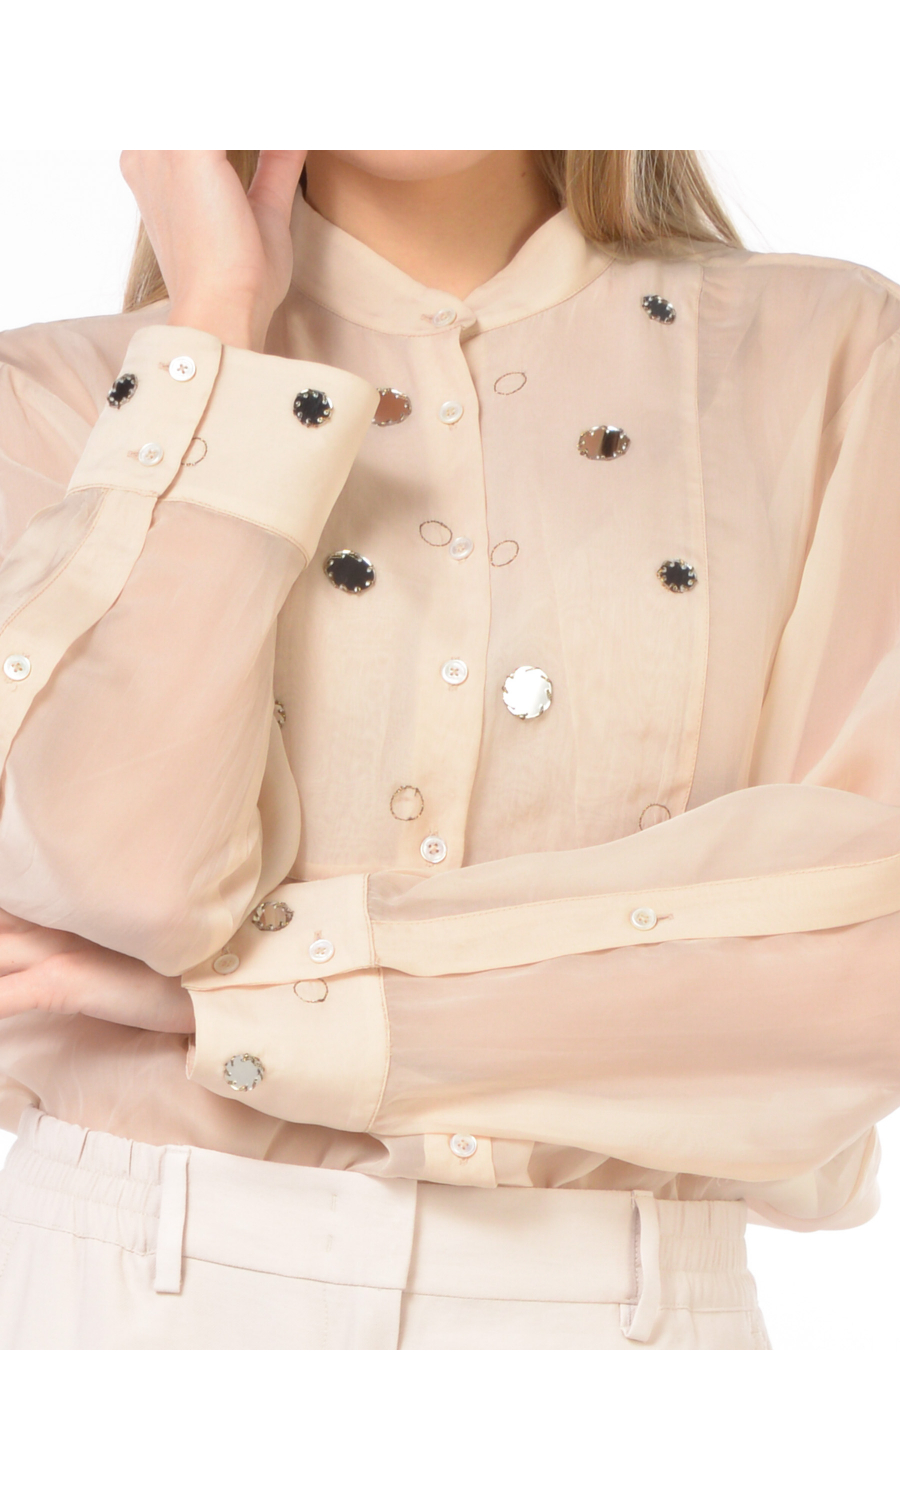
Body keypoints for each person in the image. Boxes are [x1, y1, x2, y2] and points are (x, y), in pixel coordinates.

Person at [0, 148, 898, 1350]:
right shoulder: (55, 400)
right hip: (122, 1300)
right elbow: (127, 888)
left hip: (618, 1332)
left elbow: (859, 969)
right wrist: (214, 325)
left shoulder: (834, 358)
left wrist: (253, 1006)